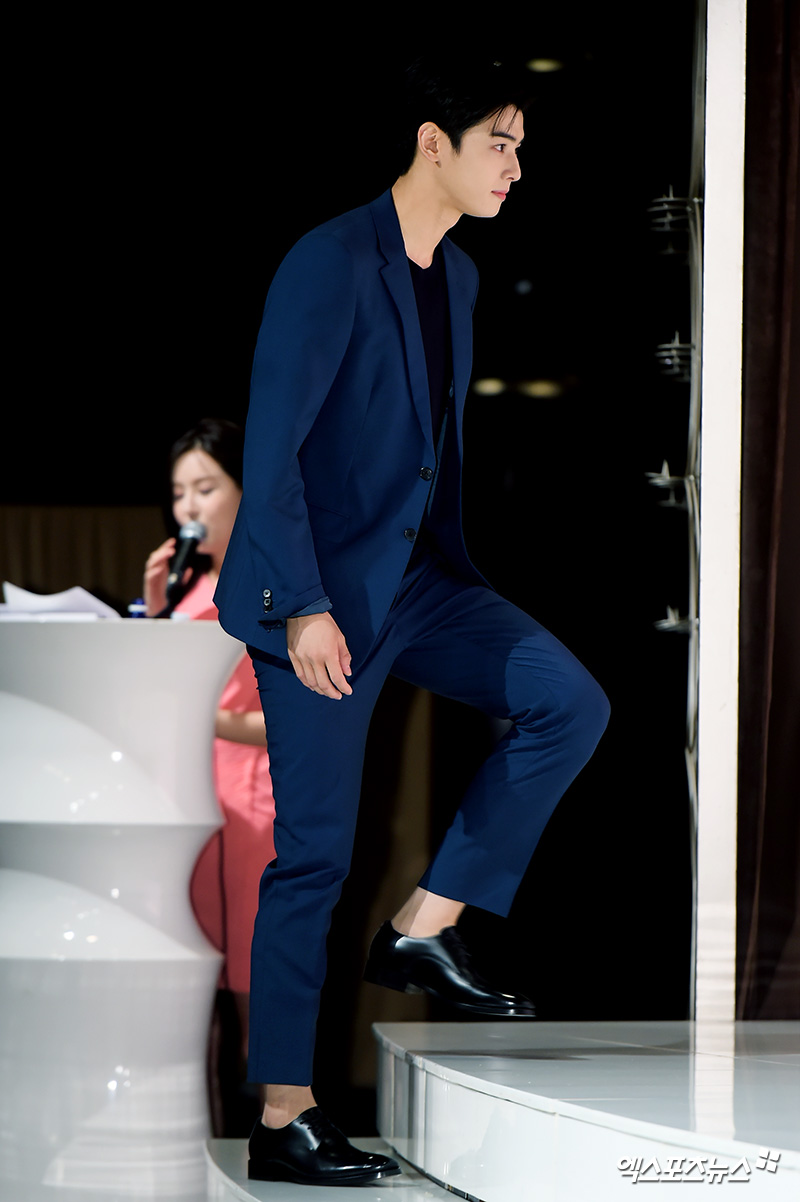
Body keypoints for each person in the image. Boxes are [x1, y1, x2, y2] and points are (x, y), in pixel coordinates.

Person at [214, 55, 610, 1186]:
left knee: (569, 702)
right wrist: (302, 609)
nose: (515, 167)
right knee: (315, 858)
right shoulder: (329, 260)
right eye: (501, 143)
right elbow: (272, 448)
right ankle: (284, 1115)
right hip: (320, 598)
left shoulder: (462, 276)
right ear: (434, 142)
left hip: (420, 584)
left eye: (521, 148)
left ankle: (425, 924)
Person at [144, 418, 275, 1130]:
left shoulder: (278, 583)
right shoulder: (188, 584)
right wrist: (156, 609)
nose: (189, 506)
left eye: (206, 487)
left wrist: (206, 717)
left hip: (255, 803)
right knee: (193, 989)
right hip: (189, 803)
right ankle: (195, 1144)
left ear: (247, 490)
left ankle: (274, 1132)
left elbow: (294, 719)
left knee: (256, 984)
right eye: (178, 492)